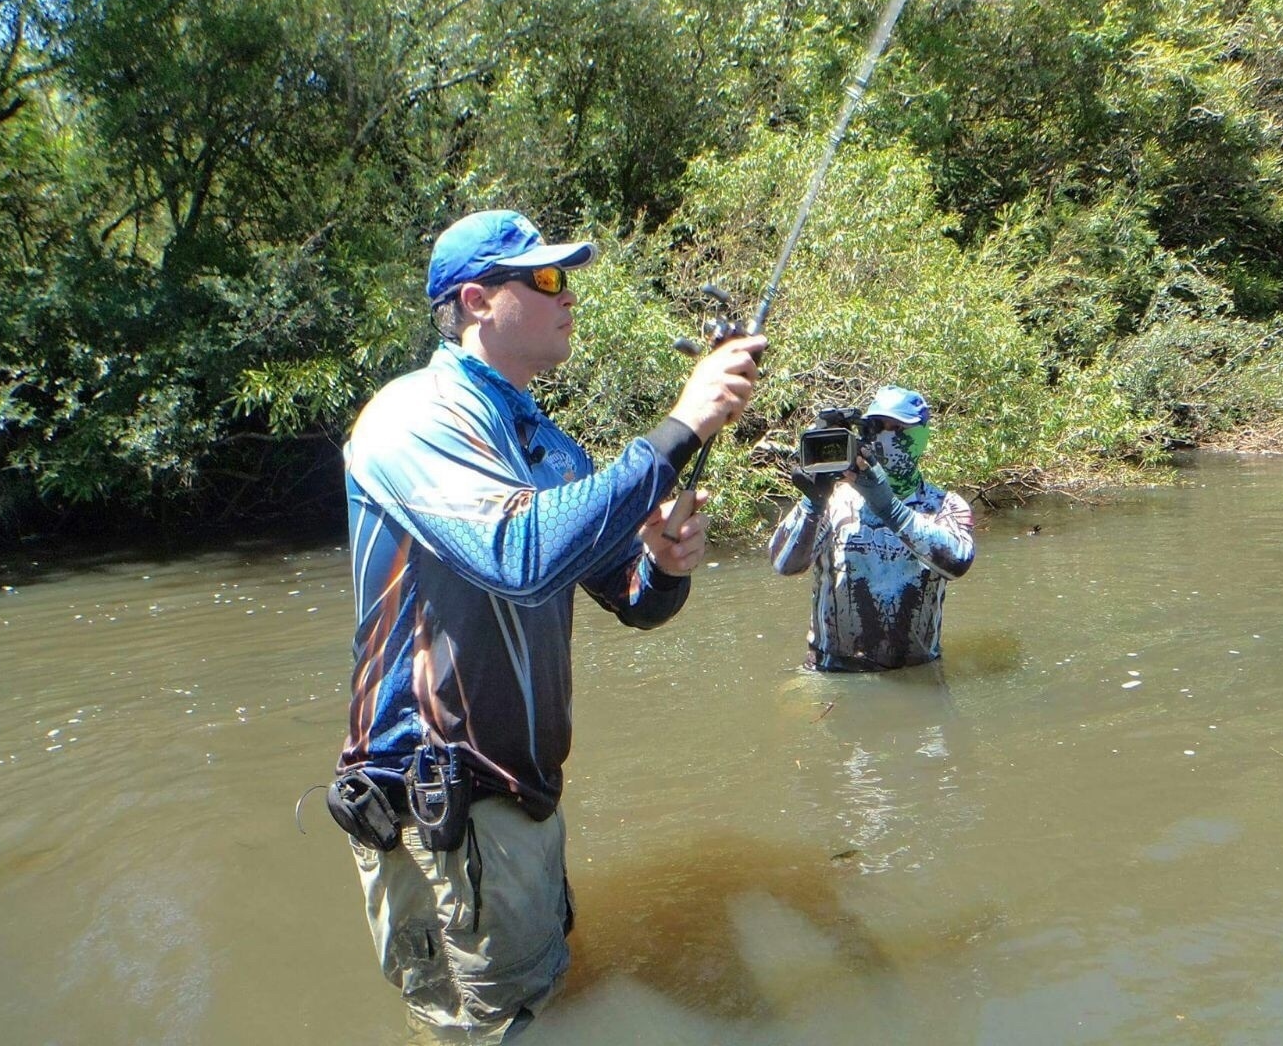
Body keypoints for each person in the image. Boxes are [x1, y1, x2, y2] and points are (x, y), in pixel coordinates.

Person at [333, 208, 763, 1041]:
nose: (570, 295)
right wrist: (682, 427)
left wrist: (666, 566)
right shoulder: (409, 417)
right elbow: (519, 554)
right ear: (476, 300)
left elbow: (630, 597)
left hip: (514, 798)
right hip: (436, 802)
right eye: (548, 279)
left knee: (538, 1004)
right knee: (491, 1029)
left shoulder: (549, 447)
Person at [768, 385, 975, 671]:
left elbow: (958, 562)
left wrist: (889, 507)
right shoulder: (835, 500)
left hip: (916, 674)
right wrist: (812, 504)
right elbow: (783, 564)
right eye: (875, 427)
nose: (885, 437)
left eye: (898, 429)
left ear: (921, 436)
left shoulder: (944, 506)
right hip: (832, 672)